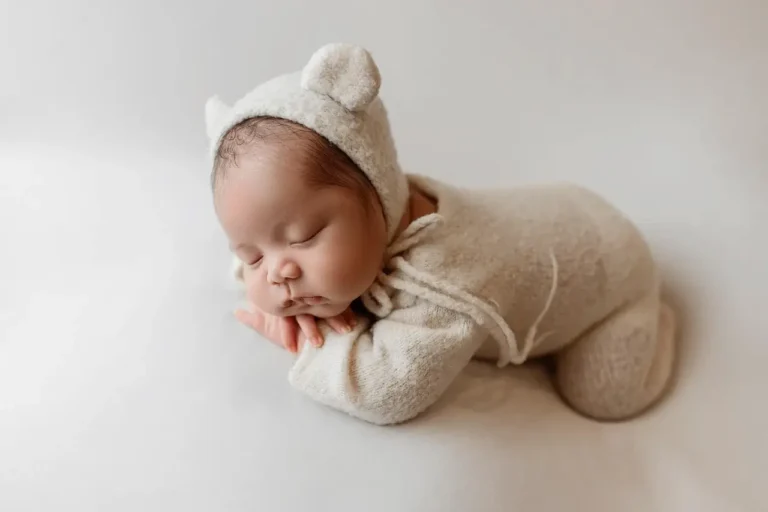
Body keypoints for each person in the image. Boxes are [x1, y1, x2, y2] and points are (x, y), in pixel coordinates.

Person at [205, 43, 676, 425]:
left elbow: (384, 389)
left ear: (379, 184)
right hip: (556, 209)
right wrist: (265, 277)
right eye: (251, 257)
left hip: (610, 267)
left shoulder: (446, 282)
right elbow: (269, 241)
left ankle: (657, 316)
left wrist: (311, 341)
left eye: (304, 236)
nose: (278, 274)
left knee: (604, 396)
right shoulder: (375, 214)